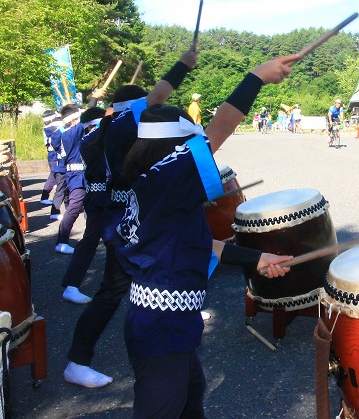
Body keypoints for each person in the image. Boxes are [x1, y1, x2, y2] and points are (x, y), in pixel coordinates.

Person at [116, 104, 293, 419]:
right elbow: (220, 129)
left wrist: (258, 258)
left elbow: (204, 245)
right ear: (174, 154)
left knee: (190, 397)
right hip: (162, 325)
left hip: (164, 320)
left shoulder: (152, 187)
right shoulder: (163, 183)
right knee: (162, 408)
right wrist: (258, 78)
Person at [64, 48, 199, 389]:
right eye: (147, 107)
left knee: (138, 275)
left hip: (124, 212)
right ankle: (77, 360)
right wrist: (183, 64)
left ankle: (182, 306)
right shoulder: (126, 124)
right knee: (112, 291)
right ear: (135, 108)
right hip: (126, 217)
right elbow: (158, 95)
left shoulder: (107, 128)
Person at [60, 106, 107, 303]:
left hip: (100, 195)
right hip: (102, 196)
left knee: (101, 241)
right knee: (91, 241)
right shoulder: (90, 139)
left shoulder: (93, 139)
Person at [52, 104, 87, 255]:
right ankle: (61, 241)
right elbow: (84, 121)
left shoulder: (66, 132)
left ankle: (94, 237)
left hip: (80, 175)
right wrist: (93, 100)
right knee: (74, 208)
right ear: (73, 120)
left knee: (90, 208)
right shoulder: (72, 132)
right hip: (77, 176)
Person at [40, 109, 62, 205]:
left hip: (52, 154)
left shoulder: (48, 127)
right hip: (54, 154)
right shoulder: (52, 128)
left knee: (55, 176)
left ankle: (45, 197)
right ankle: (45, 196)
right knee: (54, 176)